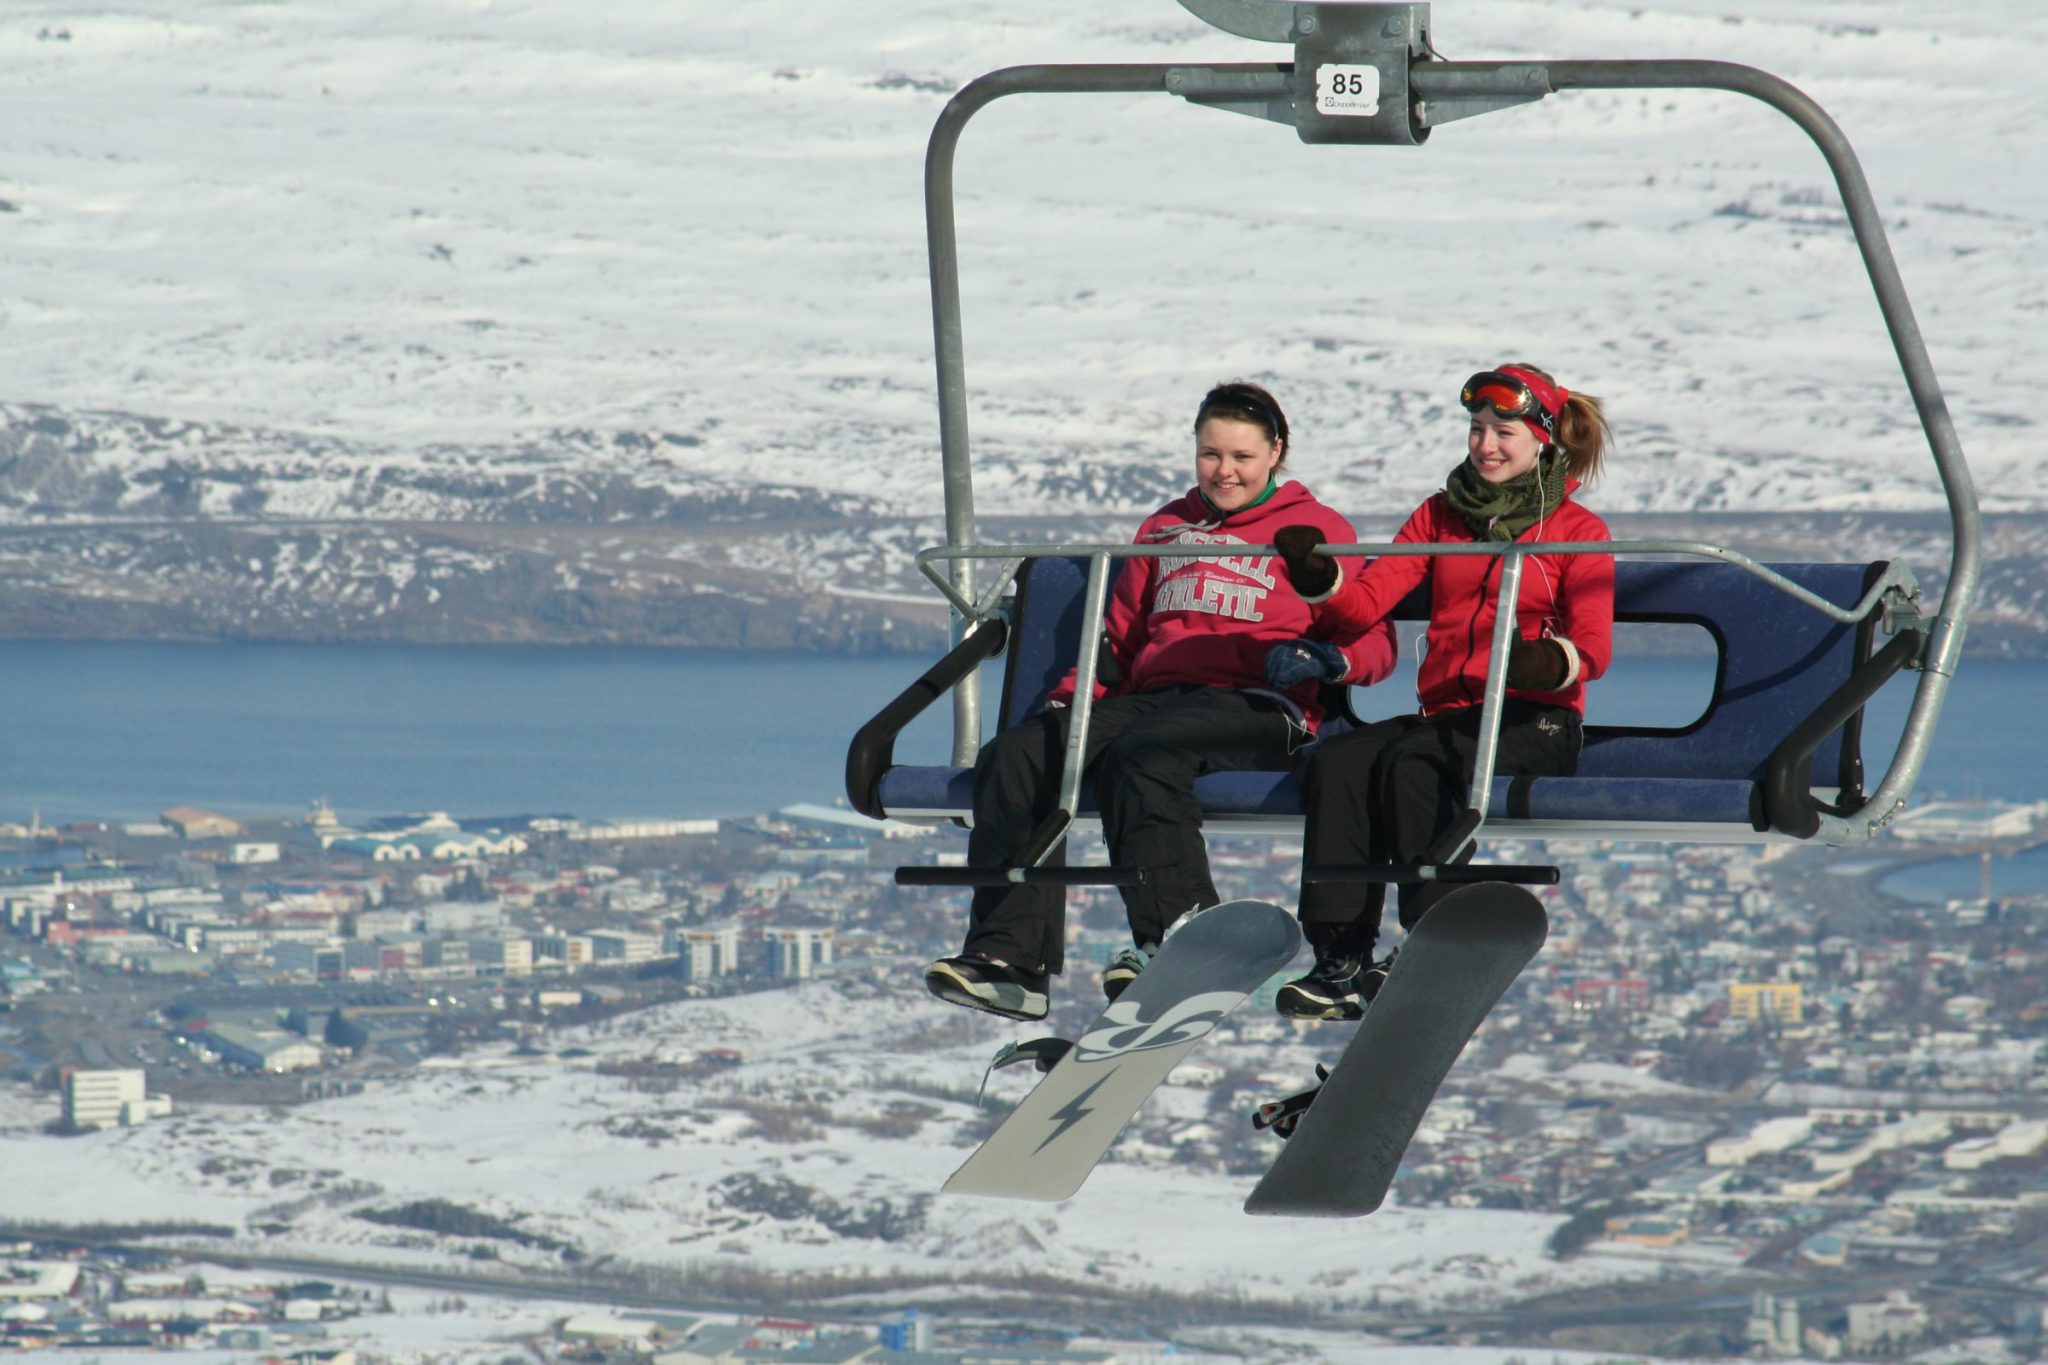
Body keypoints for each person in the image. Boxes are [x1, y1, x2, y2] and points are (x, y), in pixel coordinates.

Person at [924, 382, 1398, 1022]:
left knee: (1146, 757)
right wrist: (1072, 704)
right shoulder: (1165, 528)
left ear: (1275, 454)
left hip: (1258, 704)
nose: (1224, 471)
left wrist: (1328, 660)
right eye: (1210, 454)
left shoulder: (1318, 531)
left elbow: (1373, 635)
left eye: (1242, 457)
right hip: (1158, 697)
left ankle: (1180, 935)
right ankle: (1009, 958)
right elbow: (1117, 637)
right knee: (1019, 752)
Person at [1263, 363, 1615, 1019]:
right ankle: (1341, 955)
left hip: (1534, 721)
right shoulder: (1441, 517)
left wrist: (1538, 663)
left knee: (1414, 760)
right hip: (1454, 715)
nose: (1486, 445)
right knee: (1341, 759)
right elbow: (1366, 602)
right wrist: (1319, 576)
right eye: (1478, 429)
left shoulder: (1576, 529)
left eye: (1503, 431)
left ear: (1542, 438)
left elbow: (1593, 646)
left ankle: (1432, 941)